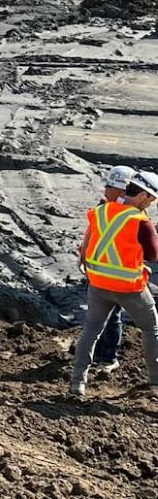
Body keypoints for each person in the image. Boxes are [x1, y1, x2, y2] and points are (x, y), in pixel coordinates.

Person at [69, 170, 158, 397]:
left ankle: (77, 382)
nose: (152, 204)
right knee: (151, 328)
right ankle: (155, 381)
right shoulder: (141, 222)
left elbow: (101, 242)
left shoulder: (101, 211)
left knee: (91, 329)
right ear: (143, 196)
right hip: (130, 287)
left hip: (99, 284)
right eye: (152, 199)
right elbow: (153, 254)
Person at [93, 165, 137, 373]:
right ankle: (99, 353)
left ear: (121, 190)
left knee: (111, 316)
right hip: (100, 272)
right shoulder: (105, 207)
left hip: (116, 274)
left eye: (109, 186)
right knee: (99, 315)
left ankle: (109, 357)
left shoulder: (129, 212)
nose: (105, 189)